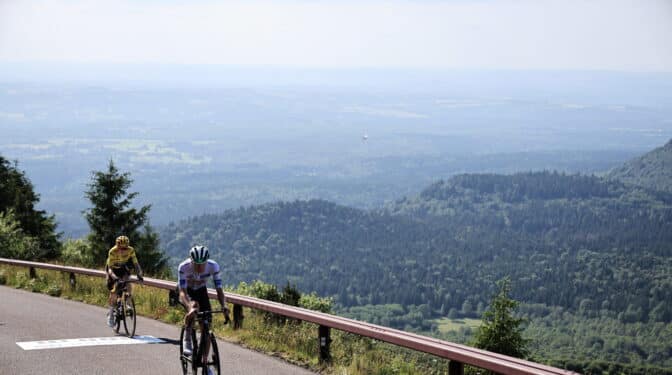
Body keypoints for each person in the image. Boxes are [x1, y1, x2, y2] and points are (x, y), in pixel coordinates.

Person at [178, 245, 229, 365]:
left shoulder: (213, 266)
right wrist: (190, 307)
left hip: (201, 290)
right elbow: (182, 292)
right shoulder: (183, 267)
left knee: (207, 326)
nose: (200, 267)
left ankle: (205, 362)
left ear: (207, 261)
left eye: (202, 264)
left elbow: (219, 290)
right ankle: (187, 338)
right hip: (187, 291)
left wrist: (224, 306)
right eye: (196, 264)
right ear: (191, 261)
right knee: (194, 306)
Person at [105, 235, 144, 327]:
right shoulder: (112, 251)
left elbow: (136, 263)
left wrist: (140, 274)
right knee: (114, 292)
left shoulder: (131, 250)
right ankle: (110, 315)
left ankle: (128, 303)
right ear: (117, 246)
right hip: (112, 269)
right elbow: (109, 269)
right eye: (120, 248)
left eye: (125, 248)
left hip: (122, 268)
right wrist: (115, 278)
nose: (122, 250)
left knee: (128, 282)